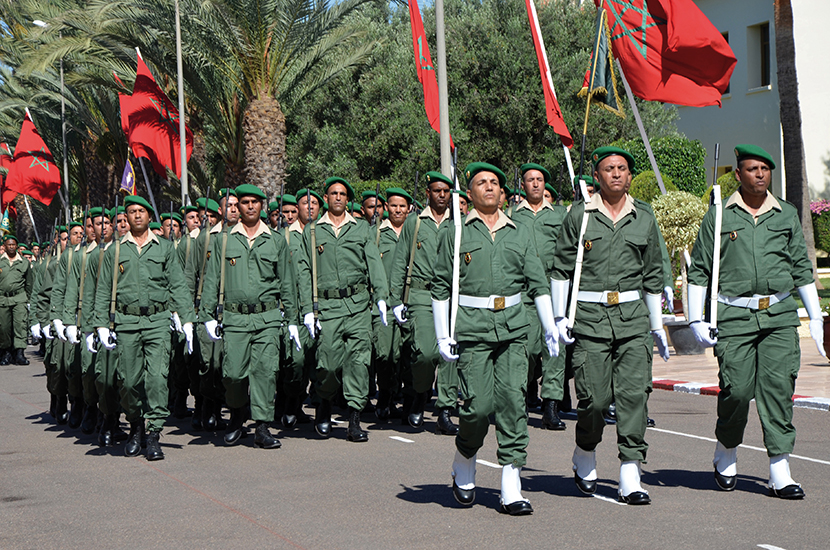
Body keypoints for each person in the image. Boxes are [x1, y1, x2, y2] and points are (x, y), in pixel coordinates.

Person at [688, 144, 821, 500]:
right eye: (752, 169)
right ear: (738, 174)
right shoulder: (718, 215)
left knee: (778, 391)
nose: (760, 174)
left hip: (778, 314)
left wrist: (816, 317)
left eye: (765, 168)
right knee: (737, 390)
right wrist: (694, 319)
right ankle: (726, 450)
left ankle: (780, 468)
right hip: (734, 314)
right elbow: (699, 270)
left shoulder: (786, 214)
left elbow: (801, 269)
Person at [431, 162, 557, 515]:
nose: (488, 187)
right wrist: (443, 335)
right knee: (477, 407)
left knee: (514, 403)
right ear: (469, 193)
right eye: (480, 183)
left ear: (503, 193)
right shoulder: (455, 234)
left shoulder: (519, 233)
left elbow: (537, 283)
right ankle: (465, 457)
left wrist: (548, 325)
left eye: (494, 183)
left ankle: (511, 483)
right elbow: (441, 286)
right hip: (472, 329)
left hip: (514, 329)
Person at [550, 147, 669, 505]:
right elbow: (561, 270)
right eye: (608, 169)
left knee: (634, 397)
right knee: (595, 400)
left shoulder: (644, 217)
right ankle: (585, 450)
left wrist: (658, 325)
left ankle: (630, 472)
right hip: (589, 317)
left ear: (630, 176)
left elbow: (652, 275)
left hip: (633, 319)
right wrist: (559, 318)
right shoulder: (579, 216)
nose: (616, 174)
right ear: (597, 177)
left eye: (622, 169)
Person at [93, 195, 194, 461]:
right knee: (128, 381)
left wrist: (187, 318)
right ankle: (135, 425)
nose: (136, 215)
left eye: (141, 211)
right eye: (131, 212)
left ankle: (154, 434)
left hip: (158, 321)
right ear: (125, 218)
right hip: (126, 323)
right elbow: (103, 289)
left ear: (150, 217)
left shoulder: (164, 247)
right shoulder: (115, 250)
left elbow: (178, 285)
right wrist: (102, 324)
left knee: (158, 378)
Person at [200, 184, 300, 449]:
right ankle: (236, 415)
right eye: (244, 202)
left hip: (267, 318)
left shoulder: (276, 240)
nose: (250, 206)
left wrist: (293, 320)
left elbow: (287, 283)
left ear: (262, 206)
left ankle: (262, 427)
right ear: (237, 207)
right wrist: (207, 315)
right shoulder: (223, 239)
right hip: (234, 319)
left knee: (265, 373)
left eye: (255, 202)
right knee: (232, 373)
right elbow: (211, 280)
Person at [296, 177, 389, 442]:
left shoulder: (361, 229)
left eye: (342, 194)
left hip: (358, 305)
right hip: (326, 307)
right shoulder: (312, 231)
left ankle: (354, 420)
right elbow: (304, 271)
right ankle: (323, 405)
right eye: (333, 193)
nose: (338, 197)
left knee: (359, 362)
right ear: (325, 198)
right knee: (327, 364)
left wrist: (381, 297)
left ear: (348, 200)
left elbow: (374, 263)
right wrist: (306, 309)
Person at [389, 172, 459, 433]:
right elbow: (399, 261)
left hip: (452, 295)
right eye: (437, 191)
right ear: (427, 193)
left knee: (450, 353)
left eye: (445, 191)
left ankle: (445, 408)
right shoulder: (415, 223)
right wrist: (395, 298)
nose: (442, 195)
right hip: (421, 295)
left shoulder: (459, 223)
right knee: (425, 353)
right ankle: (419, 392)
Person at [509, 163, 568, 431]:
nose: (535, 184)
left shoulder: (559, 215)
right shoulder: (512, 216)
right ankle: (528, 385)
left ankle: (551, 406)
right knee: (528, 348)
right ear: (522, 185)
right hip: (523, 290)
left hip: (552, 287)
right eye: (530, 180)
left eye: (539, 179)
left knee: (555, 348)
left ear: (545, 185)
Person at [371, 187, 410, 421]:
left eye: (402, 206)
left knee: (408, 354)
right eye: (393, 206)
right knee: (385, 354)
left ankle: (405, 397)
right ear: (386, 208)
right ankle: (385, 393)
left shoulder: (414, 232)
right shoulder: (375, 234)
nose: (397, 210)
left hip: (410, 301)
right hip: (384, 303)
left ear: (409, 209)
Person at [0, 235, 33, 366]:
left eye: (14, 245)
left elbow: (29, 283)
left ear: (17, 246)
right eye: (9, 245)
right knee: (4, 327)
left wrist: (29, 301)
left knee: (20, 325)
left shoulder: (24, 262)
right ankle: (6, 352)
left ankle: (19, 353)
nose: (12, 247)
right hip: (3, 298)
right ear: (5, 246)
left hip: (19, 297)